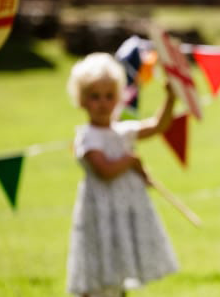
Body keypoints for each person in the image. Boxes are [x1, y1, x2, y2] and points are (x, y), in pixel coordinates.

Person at [65, 52, 179, 297]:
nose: (103, 103)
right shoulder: (87, 137)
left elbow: (158, 126)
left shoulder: (121, 132)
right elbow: (104, 170)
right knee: (97, 270)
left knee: (119, 268)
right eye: (95, 96)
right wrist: (131, 160)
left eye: (109, 96)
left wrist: (170, 97)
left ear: (118, 98)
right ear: (82, 100)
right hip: (100, 215)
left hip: (123, 213)